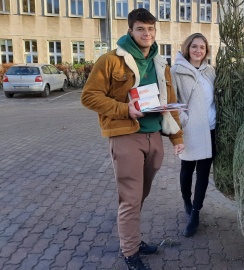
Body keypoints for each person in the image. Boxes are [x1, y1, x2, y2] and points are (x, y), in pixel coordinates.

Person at [81, 8, 184, 270]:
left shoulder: (161, 63)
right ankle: (130, 252)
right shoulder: (111, 61)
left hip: (154, 137)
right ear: (130, 30)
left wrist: (177, 138)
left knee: (140, 195)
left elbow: (169, 103)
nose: (147, 34)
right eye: (141, 29)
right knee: (130, 198)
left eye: (151, 29)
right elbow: (89, 96)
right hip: (126, 136)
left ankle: (133, 240)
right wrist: (124, 109)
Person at [170, 33, 216, 237]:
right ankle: (186, 201)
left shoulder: (210, 71)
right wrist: (183, 120)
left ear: (206, 51)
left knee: (204, 173)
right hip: (190, 128)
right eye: (194, 46)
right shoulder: (176, 71)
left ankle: (196, 212)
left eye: (202, 48)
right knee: (187, 168)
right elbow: (172, 100)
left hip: (210, 128)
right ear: (187, 47)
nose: (198, 51)